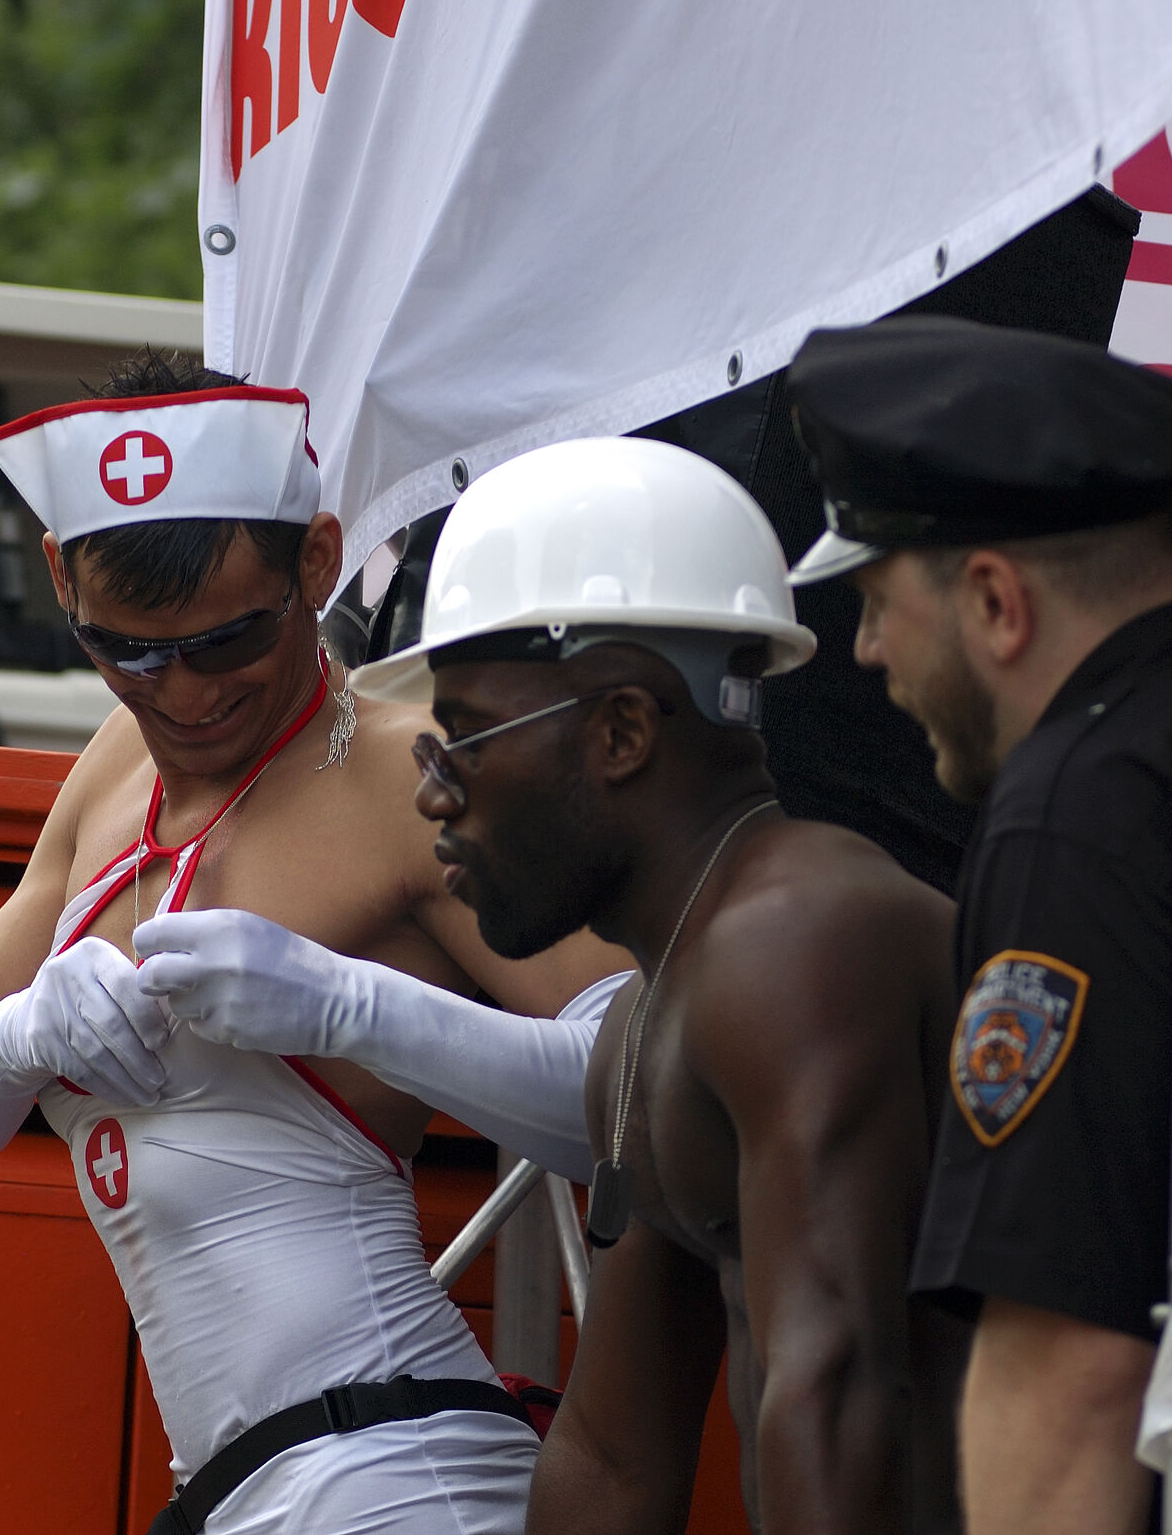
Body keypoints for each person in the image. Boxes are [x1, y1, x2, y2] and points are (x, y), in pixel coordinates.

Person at [136, 436, 966, 1535]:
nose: (434, 799)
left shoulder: (797, 946)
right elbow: (613, 1457)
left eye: (465, 742)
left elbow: (838, 1392)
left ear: (621, 729)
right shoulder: (649, 1020)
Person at [0, 351, 625, 1535]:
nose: (178, 695)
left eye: (227, 642)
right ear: (62, 580)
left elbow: (633, 1090)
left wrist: (347, 1007)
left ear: (316, 564)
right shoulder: (110, 771)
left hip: (394, 1472)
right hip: (231, 1493)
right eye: (126, 650)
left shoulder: (411, 771)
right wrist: (26, 1029)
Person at [786, 314, 1172, 1535]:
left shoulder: (1080, 807)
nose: (862, 651)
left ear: (997, 603)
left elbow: (1067, 1371)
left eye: (871, 600)